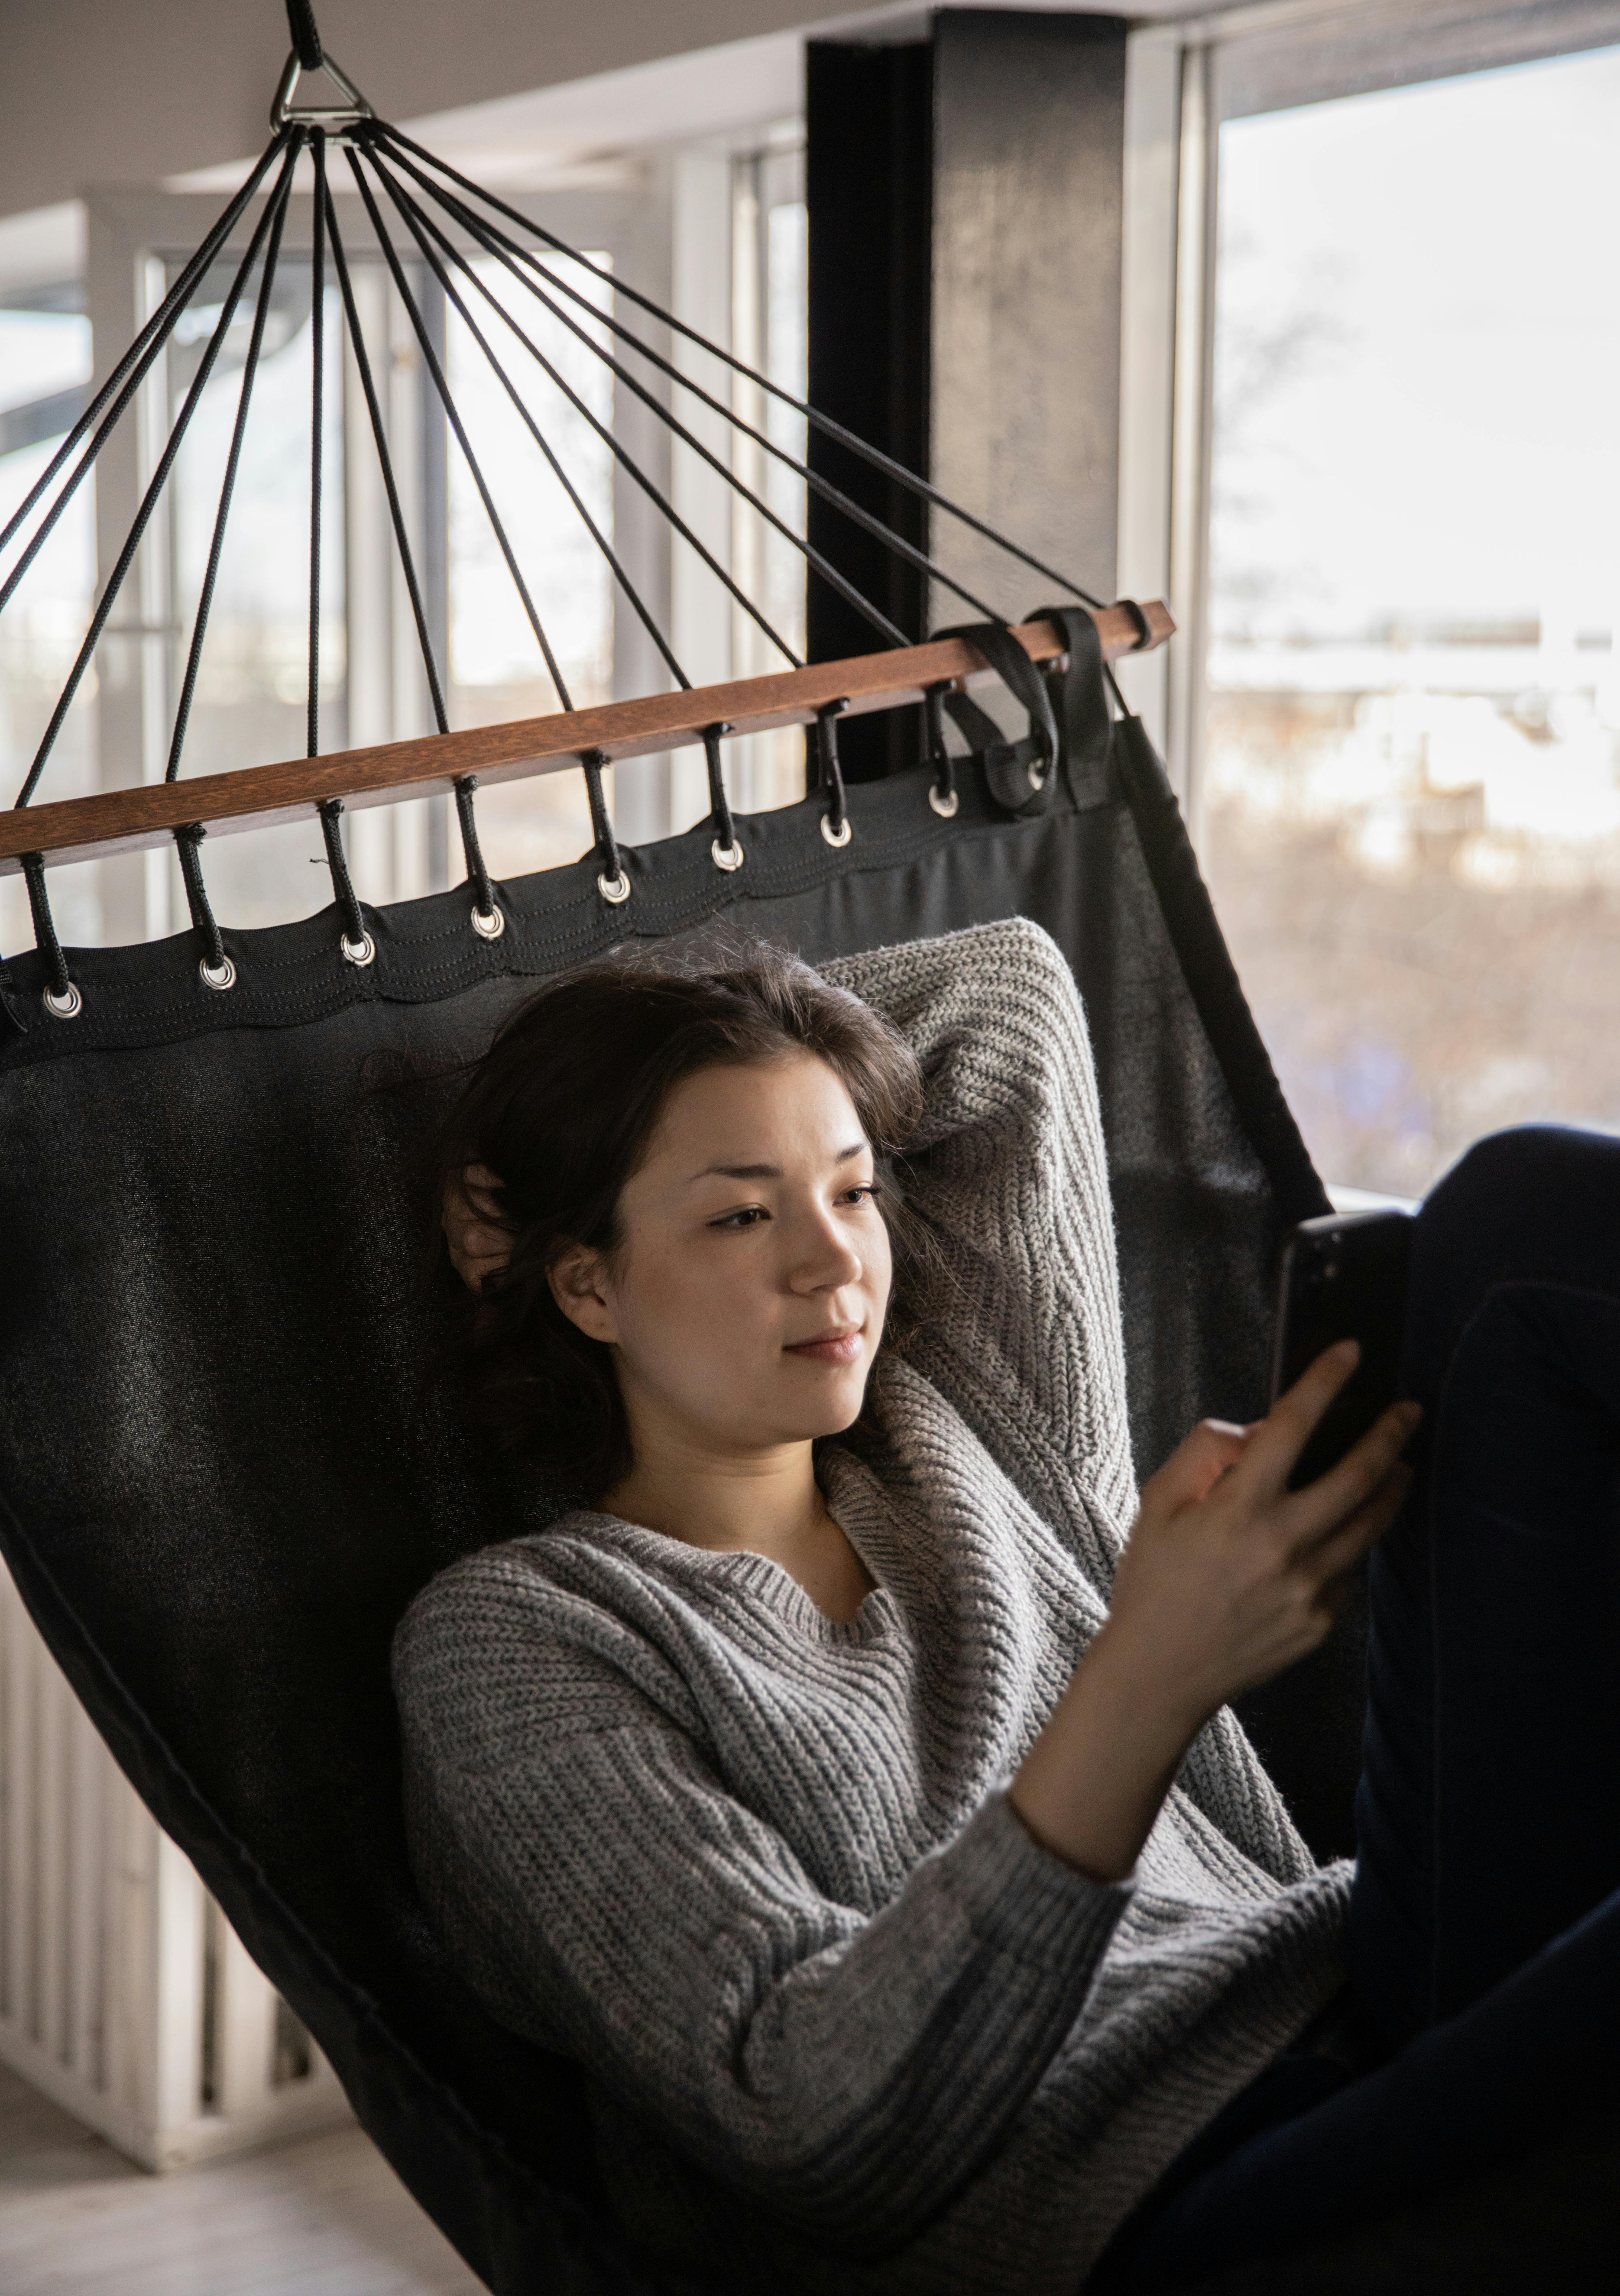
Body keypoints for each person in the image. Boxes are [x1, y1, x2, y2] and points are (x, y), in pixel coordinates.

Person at [392, 918, 1620, 2293]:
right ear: (586, 1283)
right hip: (1155, 2215)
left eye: (853, 1191)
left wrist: (713, 1069)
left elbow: (1009, 1001)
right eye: (742, 1214)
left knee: (1521, 1223)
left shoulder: (970, 1424)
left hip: (1372, 1990)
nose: (831, 1263)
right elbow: (810, 2122)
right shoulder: (521, 1642)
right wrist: (1148, 1678)